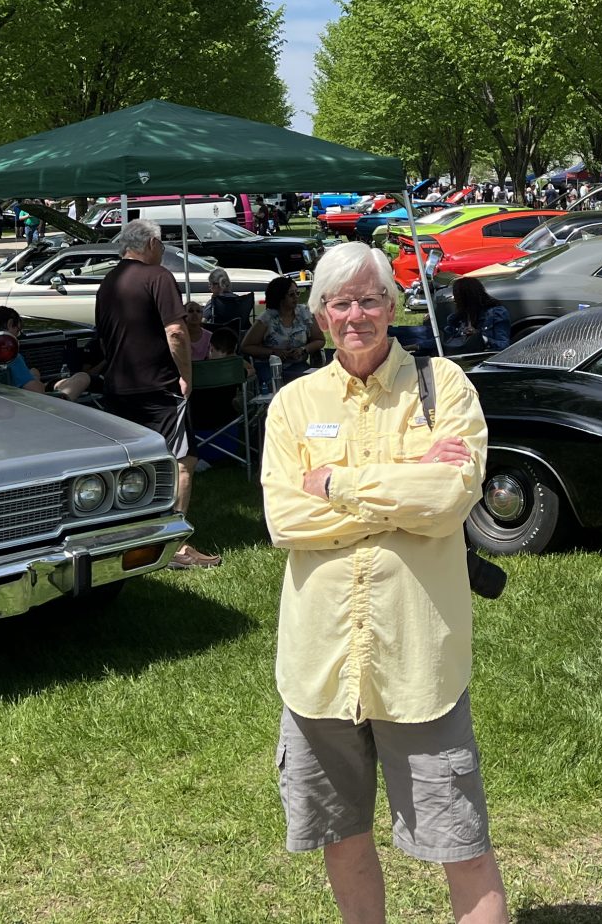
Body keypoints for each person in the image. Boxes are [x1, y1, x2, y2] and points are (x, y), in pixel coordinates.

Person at [260, 241, 506, 924]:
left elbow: (448, 499)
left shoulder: (443, 386)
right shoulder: (292, 404)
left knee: (462, 843)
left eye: (371, 299)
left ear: (393, 307)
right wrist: (405, 487)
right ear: (320, 316)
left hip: (418, 664)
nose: (356, 314)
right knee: (342, 836)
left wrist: (336, 484)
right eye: (341, 302)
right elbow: (283, 517)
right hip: (319, 664)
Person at [95, 218, 218, 568]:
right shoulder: (158, 276)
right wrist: (185, 376)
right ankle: (175, 545)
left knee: (130, 464)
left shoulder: (109, 281)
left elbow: (104, 336)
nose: (163, 252)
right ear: (150, 244)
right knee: (183, 462)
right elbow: (176, 332)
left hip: (118, 386)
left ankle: (124, 536)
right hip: (158, 386)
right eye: (162, 245)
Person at [243, 274, 324, 390]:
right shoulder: (267, 318)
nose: (296, 297)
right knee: (276, 388)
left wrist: (303, 349)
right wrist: (273, 352)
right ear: (280, 297)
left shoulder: (304, 313)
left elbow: (320, 340)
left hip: (296, 364)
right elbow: (246, 346)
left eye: (297, 293)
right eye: (291, 295)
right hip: (269, 365)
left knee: (306, 385)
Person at [442, 276, 511, 353]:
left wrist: (481, 338)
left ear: (467, 297)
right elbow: (448, 341)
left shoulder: (495, 313)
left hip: (486, 356)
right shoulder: (456, 318)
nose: (455, 300)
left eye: (458, 297)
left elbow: (504, 345)